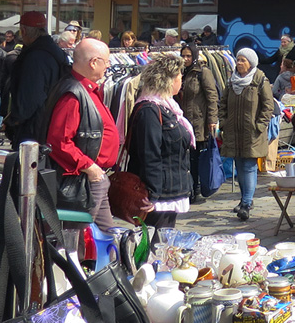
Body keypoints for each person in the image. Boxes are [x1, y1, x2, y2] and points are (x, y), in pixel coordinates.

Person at [43, 39, 120, 231]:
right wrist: (90, 167)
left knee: (106, 237)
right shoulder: (73, 93)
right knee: (77, 240)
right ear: (93, 62)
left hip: (93, 178)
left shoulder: (86, 88)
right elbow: (59, 142)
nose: (109, 65)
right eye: (106, 61)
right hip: (82, 182)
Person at [128, 53, 193, 232]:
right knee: (156, 246)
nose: (182, 80)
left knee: (164, 242)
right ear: (169, 80)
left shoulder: (168, 106)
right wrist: (153, 194)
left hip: (170, 190)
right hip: (159, 195)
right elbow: (150, 155)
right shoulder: (150, 110)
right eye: (180, 76)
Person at [219, 48, 275, 221]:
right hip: (234, 131)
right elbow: (223, 104)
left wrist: (259, 125)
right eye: (238, 59)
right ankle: (245, 200)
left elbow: (268, 106)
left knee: (249, 166)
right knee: (239, 165)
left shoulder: (259, 80)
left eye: (243, 60)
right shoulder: (231, 81)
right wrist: (223, 123)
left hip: (252, 133)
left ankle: (246, 203)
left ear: (251, 62)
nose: (239, 63)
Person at [5, 11, 68, 146]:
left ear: (23, 31)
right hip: (48, 122)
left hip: (33, 129)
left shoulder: (35, 57)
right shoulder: (54, 51)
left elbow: (30, 98)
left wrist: (15, 120)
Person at [174, 43, 220, 204]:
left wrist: (212, 120)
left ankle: (195, 188)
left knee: (195, 157)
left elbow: (212, 97)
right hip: (182, 121)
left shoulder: (202, 72)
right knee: (186, 157)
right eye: (183, 55)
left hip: (198, 121)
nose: (186, 59)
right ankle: (188, 188)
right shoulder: (179, 72)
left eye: (188, 56)